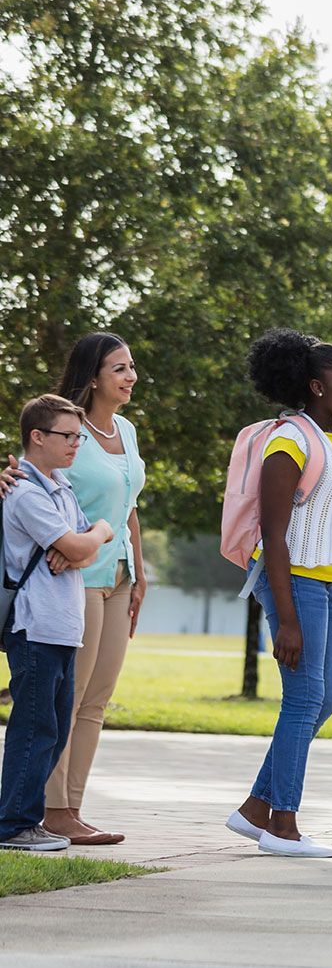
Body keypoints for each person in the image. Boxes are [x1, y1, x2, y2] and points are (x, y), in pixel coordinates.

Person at [223, 329, 332, 859]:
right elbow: (274, 533)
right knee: (304, 699)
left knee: (323, 698)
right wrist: (285, 617)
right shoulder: (289, 441)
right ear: (315, 386)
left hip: (325, 578)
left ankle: (254, 810)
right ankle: (282, 826)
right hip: (294, 579)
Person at [38, 333, 146, 845]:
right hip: (75, 577)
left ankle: (72, 809)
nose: (130, 377)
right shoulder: (67, 433)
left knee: (97, 700)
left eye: (131, 368)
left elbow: (128, 506)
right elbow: (32, 481)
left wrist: (142, 573)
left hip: (120, 576)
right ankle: (50, 808)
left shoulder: (126, 430)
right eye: (120, 368)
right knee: (69, 696)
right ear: (94, 375)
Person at [0, 395, 115, 853]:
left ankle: (27, 819)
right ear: (37, 437)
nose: (76, 445)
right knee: (34, 729)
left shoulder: (61, 487)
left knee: (54, 730)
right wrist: (87, 541)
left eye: (79, 437)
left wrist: (95, 534)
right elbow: (79, 543)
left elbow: (93, 536)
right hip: (36, 627)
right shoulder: (25, 492)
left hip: (63, 627)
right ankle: (13, 825)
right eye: (68, 437)